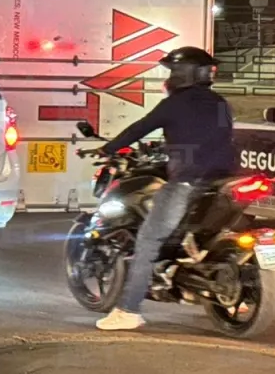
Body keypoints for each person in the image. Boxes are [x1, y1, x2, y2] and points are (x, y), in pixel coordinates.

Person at [94, 46, 238, 331]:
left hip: (189, 181)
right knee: (212, 232)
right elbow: (213, 136)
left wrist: (107, 148)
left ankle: (128, 310)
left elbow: (139, 128)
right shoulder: (221, 103)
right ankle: (233, 291)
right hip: (225, 180)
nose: (169, 77)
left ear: (184, 74)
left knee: (148, 241)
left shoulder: (175, 104)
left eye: (172, 71)